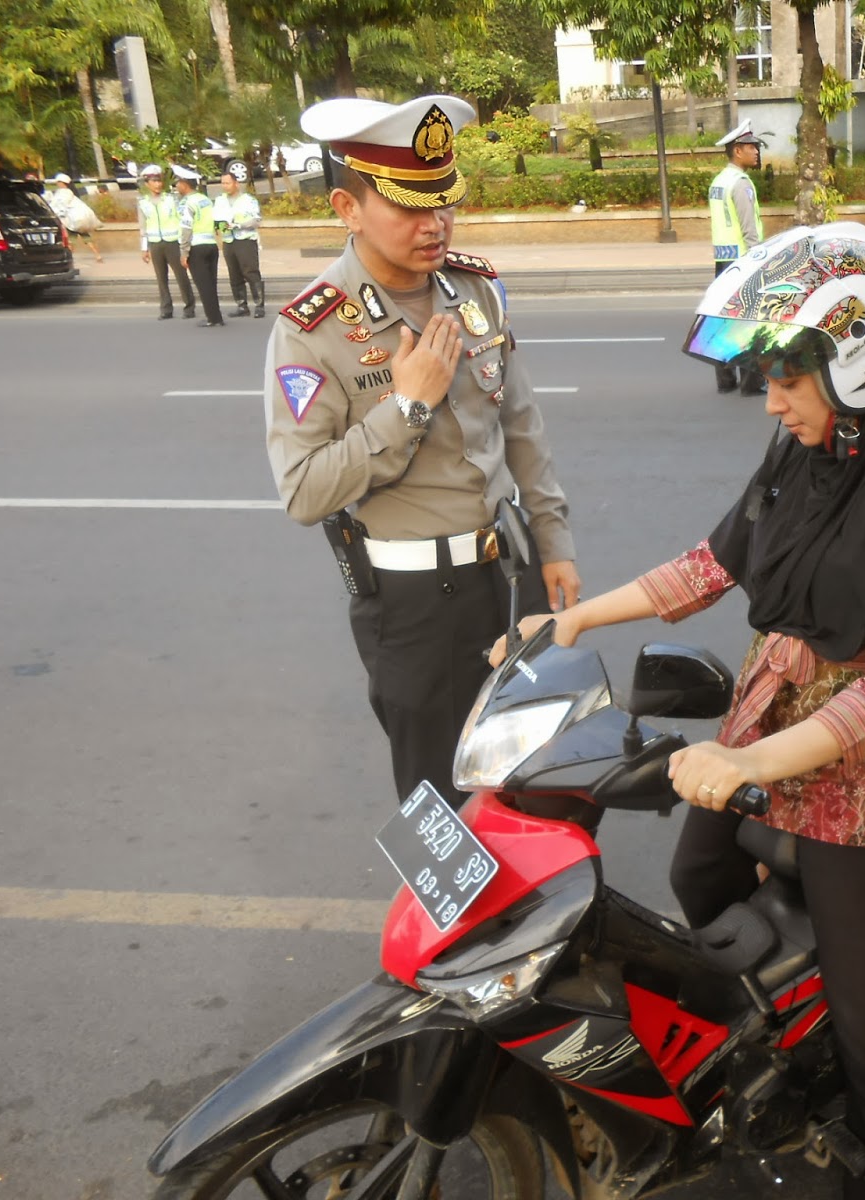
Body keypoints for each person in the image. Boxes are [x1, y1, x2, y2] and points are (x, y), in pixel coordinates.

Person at [492, 223, 865, 1200]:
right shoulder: (800, 449)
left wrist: (745, 770)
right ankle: (778, 1055)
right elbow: (714, 562)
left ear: (857, 368)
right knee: (699, 874)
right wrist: (574, 620)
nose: (770, 399)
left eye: (787, 378)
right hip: (780, 706)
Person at [264, 93, 579, 810]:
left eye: (444, 200)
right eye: (408, 206)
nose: (434, 223)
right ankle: (461, 929)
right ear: (347, 208)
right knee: (443, 804)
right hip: (415, 608)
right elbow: (303, 491)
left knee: (543, 780)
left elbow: (521, 423)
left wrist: (554, 540)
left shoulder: (474, 288)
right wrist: (406, 408)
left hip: (513, 573)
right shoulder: (312, 330)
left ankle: (548, 923)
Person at [707, 120, 767, 395]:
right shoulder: (741, 184)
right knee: (750, 321)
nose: (756, 151)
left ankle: (725, 380)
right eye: (751, 147)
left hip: (723, 260)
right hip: (744, 261)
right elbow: (749, 229)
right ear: (738, 150)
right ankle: (751, 383)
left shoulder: (719, 181)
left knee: (725, 319)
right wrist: (760, 262)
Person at [136, 165, 195, 320]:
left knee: (181, 276)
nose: (157, 184)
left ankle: (189, 307)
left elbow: (182, 220)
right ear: (147, 183)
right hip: (155, 243)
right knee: (161, 278)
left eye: (159, 181)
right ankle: (166, 308)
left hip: (173, 242)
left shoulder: (171, 199)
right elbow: (143, 227)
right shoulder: (143, 202)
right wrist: (144, 248)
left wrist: (184, 245)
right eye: (154, 181)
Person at [172, 164, 224, 327]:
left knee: (203, 285)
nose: (176, 186)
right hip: (211, 245)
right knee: (211, 283)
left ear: (184, 184)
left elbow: (186, 228)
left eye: (177, 183)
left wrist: (184, 252)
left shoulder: (186, 203)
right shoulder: (205, 199)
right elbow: (216, 221)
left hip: (196, 247)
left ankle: (213, 319)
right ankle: (217, 317)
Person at [214, 170, 266, 317]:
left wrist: (238, 225)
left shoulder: (248, 200)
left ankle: (259, 304)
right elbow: (216, 218)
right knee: (234, 274)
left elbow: (256, 220)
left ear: (236, 183)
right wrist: (218, 226)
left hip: (245, 239)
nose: (225, 186)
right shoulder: (219, 200)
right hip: (228, 240)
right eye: (223, 183)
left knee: (250, 271)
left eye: (228, 183)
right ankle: (241, 305)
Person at [47, 174, 103, 263]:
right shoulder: (70, 192)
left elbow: (59, 206)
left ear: (61, 183)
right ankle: (98, 255)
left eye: (58, 182)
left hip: (72, 221)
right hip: (79, 220)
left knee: (71, 239)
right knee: (86, 238)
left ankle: (69, 258)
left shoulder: (62, 193)